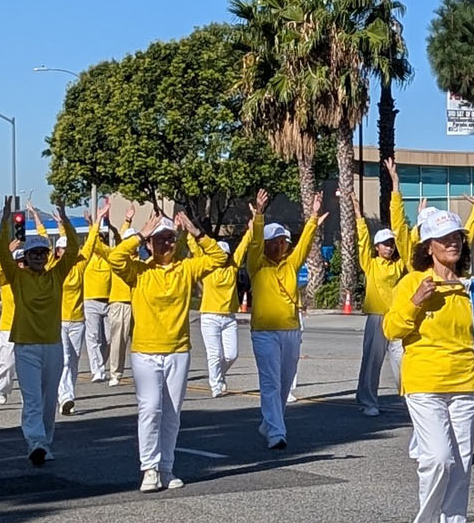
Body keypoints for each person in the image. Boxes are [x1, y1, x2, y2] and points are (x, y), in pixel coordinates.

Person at [383, 207, 474, 523]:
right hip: (425, 381)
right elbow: (392, 330)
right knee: (439, 458)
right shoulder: (411, 282)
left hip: (466, 382)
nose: (453, 243)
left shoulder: (471, 287)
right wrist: (415, 303)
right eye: (444, 239)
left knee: (462, 465)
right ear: (428, 246)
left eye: (457, 237)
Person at [105, 210, 229, 492]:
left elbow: (219, 259)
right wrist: (139, 234)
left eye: (170, 239)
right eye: (159, 240)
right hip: (146, 352)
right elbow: (115, 259)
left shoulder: (185, 269)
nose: (165, 245)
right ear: (149, 244)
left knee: (172, 413)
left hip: (177, 350)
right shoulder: (138, 271)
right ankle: (149, 468)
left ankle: (166, 467)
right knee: (150, 408)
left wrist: (196, 232)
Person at [0, 200, 85, 467]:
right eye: (33, 254)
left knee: (48, 403)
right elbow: (1, 253)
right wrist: (6, 221)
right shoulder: (18, 277)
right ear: (25, 257)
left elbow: (73, 249)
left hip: (53, 346)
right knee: (33, 399)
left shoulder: (56, 276)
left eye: (41, 253)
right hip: (26, 346)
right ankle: (35, 443)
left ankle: (45, 443)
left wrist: (65, 220)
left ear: (47, 256)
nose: (37, 257)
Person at [243, 189, 320, 450]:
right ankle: (276, 432)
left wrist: (312, 218)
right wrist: (259, 215)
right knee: (270, 381)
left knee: (285, 381)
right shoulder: (256, 264)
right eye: (273, 242)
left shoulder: (290, 264)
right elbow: (253, 245)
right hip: (264, 332)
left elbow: (305, 245)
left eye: (282, 241)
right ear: (265, 244)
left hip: (290, 330)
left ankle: (270, 422)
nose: (278, 245)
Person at [354, 177, 414, 417]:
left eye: (391, 244)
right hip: (376, 318)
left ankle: (409, 398)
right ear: (377, 247)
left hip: (396, 318)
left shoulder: (401, 264)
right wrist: (359, 215)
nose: (389, 247)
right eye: (385, 244)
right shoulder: (370, 263)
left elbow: (404, 238)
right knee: (372, 361)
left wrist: (396, 188)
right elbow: (361, 240)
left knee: (402, 361)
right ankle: (368, 400)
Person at [45, 201, 102, 416]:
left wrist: (96, 223)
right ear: (57, 251)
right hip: (57, 321)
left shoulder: (79, 266)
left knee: (74, 362)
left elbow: (88, 245)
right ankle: (66, 397)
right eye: (61, 248)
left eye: (68, 247)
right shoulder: (51, 268)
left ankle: (65, 393)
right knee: (65, 359)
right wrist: (62, 220)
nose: (65, 250)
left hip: (77, 320)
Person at [197, 230, 241, 399]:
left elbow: (243, 248)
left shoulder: (232, 268)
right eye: (219, 254)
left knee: (231, 354)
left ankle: (218, 375)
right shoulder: (207, 269)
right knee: (214, 354)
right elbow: (197, 249)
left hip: (229, 317)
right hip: (209, 317)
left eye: (225, 255)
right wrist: (189, 232)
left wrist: (252, 229)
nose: (223, 257)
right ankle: (215, 384)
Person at [106, 202, 139, 388]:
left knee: (140, 341)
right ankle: (115, 373)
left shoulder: (141, 260)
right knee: (118, 341)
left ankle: (140, 372)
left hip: (137, 303)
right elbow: (116, 243)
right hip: (119, 303)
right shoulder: (116, 256)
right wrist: (127, 220)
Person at [83, 211, 115, 384]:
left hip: (108, 301)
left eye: (101, 239)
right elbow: (91, 243)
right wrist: (92, 225)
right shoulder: (86, 257)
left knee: (109, 339)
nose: (99, 242)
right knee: (93, 337)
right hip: (90, 301)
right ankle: (97, 370)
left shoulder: (109, 256)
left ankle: (101, 363)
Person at [0, 241, 23, 405]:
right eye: (18, 262)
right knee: (7, 363)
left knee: (28, 366)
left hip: (28, 329)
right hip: (8, 327)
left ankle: (28, 396)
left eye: (23, 262)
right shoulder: (6, 281)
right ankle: (2, 389)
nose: (21, 265)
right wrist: (6, 251)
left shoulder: (32, 279)